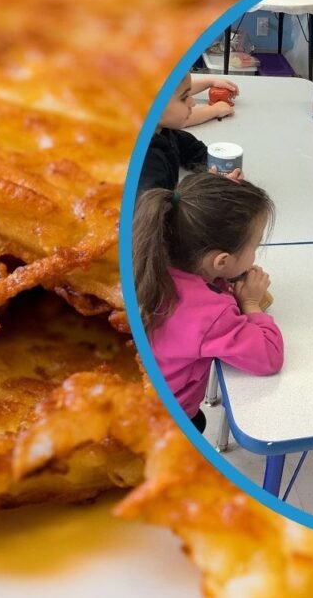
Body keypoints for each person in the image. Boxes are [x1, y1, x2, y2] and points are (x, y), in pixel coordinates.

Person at [133, 172, 283, 433]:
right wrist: (250, 303)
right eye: (255, 245)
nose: (255, 253)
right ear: (221, 261)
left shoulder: (152, 254)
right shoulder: (211, 314)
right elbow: (268, 358)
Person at [137, 73, 242, 196]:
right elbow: (154, 211)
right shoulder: (146, 167)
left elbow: (192, 149)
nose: (193, 103)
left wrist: (219, 170)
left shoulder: (165, 132)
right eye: (184, 97)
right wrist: (201, 190)